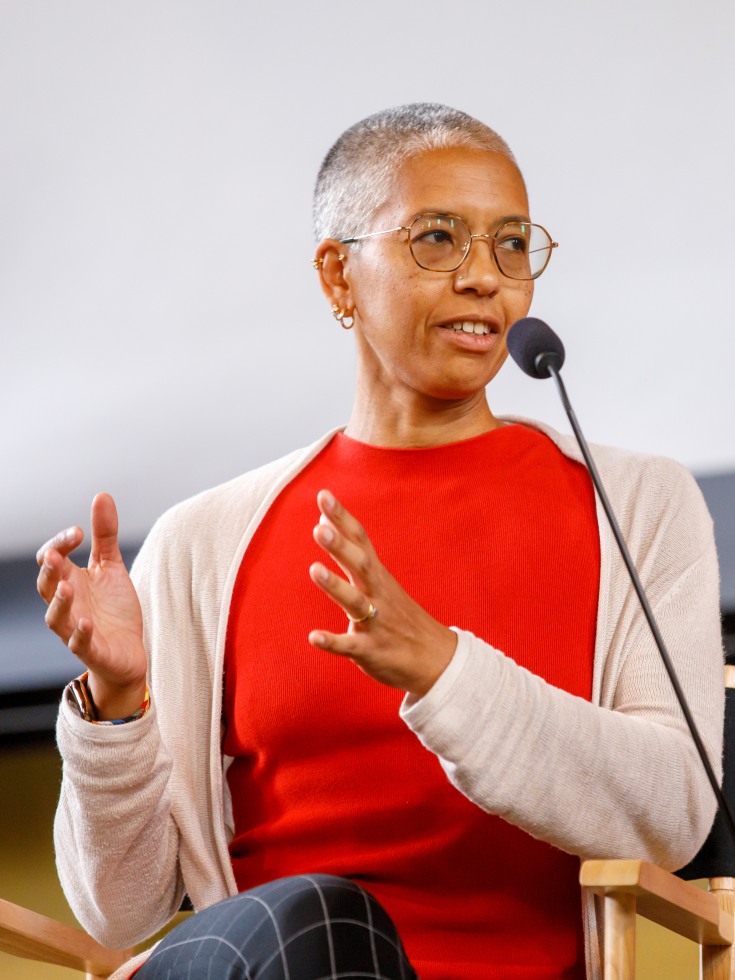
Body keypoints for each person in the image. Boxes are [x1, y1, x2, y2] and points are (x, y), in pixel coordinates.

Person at [36, 103, 724, 980]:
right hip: (267, 961)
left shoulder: (639, 507)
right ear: (338, 276)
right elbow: (118, 910)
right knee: (323, 922)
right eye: (438, 239)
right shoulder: (200, 545)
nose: (486, 279)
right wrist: (119, 704)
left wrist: (444, 669)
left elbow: (675, 813)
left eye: (512, 246)